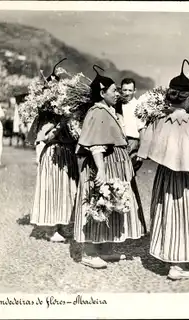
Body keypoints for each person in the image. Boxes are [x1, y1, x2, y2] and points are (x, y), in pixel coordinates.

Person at [137, 59, 189, 280]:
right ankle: (180, 265)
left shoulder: (157, 123)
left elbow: (144, 151)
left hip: (166, 179)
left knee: (169, 213)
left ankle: (173, 258)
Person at [73, 65, 147, 269]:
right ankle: (89, 252)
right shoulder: (98, 112)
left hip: (113, 164)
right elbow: (96, 145)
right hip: (103, 166)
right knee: (98, 203)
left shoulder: (108, 110)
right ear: (102, 93)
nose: (118, 94)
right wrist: (102, 171)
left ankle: (104, 250)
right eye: (114, 91)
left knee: (110, 205)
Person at [29, 110, 79, 242]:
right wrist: (60, 123)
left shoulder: (71, 110)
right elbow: (44, 137)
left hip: (68, 152)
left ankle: (63, 223)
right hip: (54, 152)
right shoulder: (47, 114)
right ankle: (50, 229)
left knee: (66, 189)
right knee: (53, 188)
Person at [118, 78, 146, 171]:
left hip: (133, 142)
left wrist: (142, 149)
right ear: (120, 90)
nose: (127, 93)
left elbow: (142, 128)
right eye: (124, 90)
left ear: (135, 91)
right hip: (119, 143)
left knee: (130, 172)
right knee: (120, 173)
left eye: (130, 90)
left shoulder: (138, 105)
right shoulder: (117, 104)